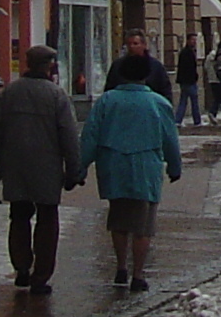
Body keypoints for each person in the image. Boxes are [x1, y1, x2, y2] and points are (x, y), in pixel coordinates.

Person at [78, 51, 183, 293]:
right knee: (143, 225)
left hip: (113, 165)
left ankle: (120, 267)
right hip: (146, 167)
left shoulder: (106, 101)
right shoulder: (158, 104)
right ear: (146, 75)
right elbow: (170, 140)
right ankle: (138, 274)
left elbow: (90, 137)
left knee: (118, 219)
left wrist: (81, 166)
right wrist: (175, 167)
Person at [0, 46, 81, 293]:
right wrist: (73, 170)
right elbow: (69, 135)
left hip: (15, 165)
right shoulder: (56, 95)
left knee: (19, 216)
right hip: (47, 166)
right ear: (49, 65)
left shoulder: (9, 93)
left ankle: (21, 267)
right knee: (47, 219)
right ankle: (41, 275)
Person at [173, 35, 204, 126]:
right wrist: (194, 77)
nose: (194, 42)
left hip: (184, 81)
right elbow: (189, 68)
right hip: (189, 81)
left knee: (183, 101)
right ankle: (197, 121)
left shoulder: (185, 52)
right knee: (194, 101)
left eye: (195, 40)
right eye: (192, 40)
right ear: (188, 41)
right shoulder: (188, 53)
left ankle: (178, 120)